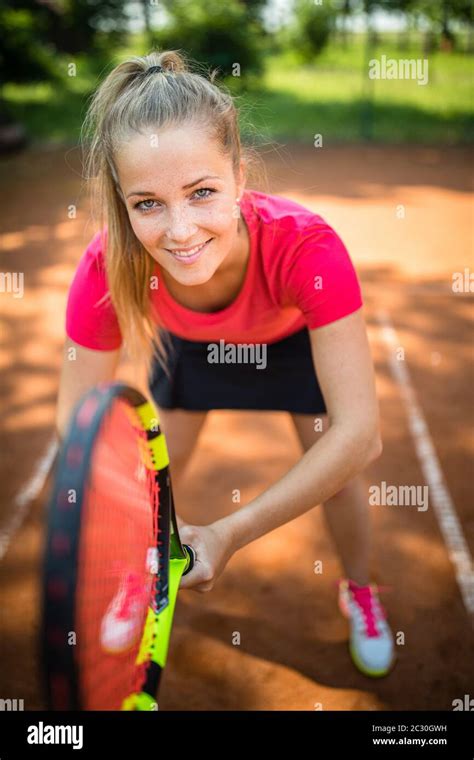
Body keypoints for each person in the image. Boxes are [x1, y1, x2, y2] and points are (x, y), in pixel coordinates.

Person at [57, 50, 395, 678]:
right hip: (192, 345)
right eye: (148, 203)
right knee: (158, 473)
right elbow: (77, 425)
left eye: (202, 192)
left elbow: (361, 434)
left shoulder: (307, 248)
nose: (180, 231)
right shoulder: (107, 264)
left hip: (289, 342)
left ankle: (360, 590)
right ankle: (144, 568)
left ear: (240, 175)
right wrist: (142, 520)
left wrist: (229, 532)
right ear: (123, 203)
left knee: (340, 474)